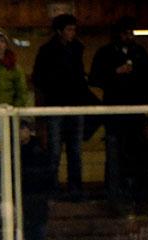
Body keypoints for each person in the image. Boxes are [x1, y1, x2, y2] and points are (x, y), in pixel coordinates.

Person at [89, 17, 148, 211]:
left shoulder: (139, 52)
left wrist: (144, 105)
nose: (129, 37)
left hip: (135, 114)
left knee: (137, 154)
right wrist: (115, 72)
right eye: (125, 33)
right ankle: (114, 194)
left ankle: (136, 193)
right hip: (114, 114)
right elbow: (94, 78)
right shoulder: (105, 53)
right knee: (114, 154)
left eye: (131, 33)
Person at [32, 14, 91, 200]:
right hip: (57, 104)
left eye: (73, 29)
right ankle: (54, 187)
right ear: (60, 31)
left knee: (74, 150)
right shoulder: (48, 51)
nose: (72, 33)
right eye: (69, 29)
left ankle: (74, 187)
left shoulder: (76, 49)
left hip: (73, 104)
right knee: (55, 150)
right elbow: (38, 77)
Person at [0, 30, 30, 154]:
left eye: (2, 41)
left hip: (8, 114)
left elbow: (21, 91)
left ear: (6, 45)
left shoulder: (14, 67)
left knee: (10, 149)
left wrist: (14, 108)